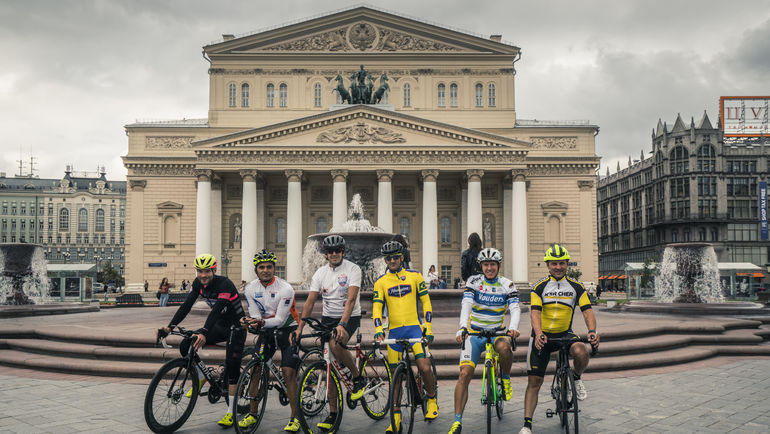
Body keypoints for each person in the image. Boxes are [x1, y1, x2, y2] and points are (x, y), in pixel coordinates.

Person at [156, 253, 247, 428]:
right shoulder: (198, 284)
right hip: (220, 325)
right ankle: (201, 376)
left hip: (236, 326)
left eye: (207, 271)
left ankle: (231, 412)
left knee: (232, 366)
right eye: (200, 271)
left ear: (214, 270)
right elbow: (186, 306)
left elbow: (217, 309)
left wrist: (204, 332)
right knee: (186, 344)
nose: (203, 275)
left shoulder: (225, 284)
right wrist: (170, 327)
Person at [518, 244, 600, 434]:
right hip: (543, 336)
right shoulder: (539, 287)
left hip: (565, 334)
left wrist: (592, 331)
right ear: (548, 265)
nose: (558, 267)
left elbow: (587, 311)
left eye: (562, 263)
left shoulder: (576, 287)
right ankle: (527, 425)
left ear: (567, 264)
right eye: (554, 264)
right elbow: (535, 313)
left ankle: (576, 378)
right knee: (534, 382)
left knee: (582, 351)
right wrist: (538, 333)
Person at [295, 235, 366, 430]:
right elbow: (310, 301)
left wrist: (342, 324)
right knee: (330, 366)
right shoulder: (320, 273)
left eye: (337, 251)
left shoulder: (353, 269)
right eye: (330, 251)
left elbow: (351, 300)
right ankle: (333, 414)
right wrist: (300, 328)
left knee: (335, 344)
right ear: (326, 254)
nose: (334, 254)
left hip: (349, 316)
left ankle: (357, 377)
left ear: (343, 252)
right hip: (328, 318)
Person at [448, 248, 520, 434]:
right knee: (464, 374)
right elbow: (466, 304)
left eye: (492, 264)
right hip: (474, 333)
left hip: (496, 332)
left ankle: (505, 379)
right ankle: (457, 421)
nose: (489, 268)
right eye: (486, 265)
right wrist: (462, 327)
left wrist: (513, 327)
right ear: (481, 266)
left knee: (505, 348)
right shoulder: (474, 282)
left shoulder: (507, 284)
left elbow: (515, 308)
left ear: (498, 266)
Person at [373, 241, 438, 433]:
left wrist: (428, 328)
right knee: (395, 377)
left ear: (401, 257)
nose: (392, 261)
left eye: (395, 257)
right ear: (385, 260)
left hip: (415, 330)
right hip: (394, 332)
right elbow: (377, 307)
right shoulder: (381, 282)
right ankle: (396, 416)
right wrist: (378, 328)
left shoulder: (415, 276)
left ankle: (432, 399)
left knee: (424, 367)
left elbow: (426, 302)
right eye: (388, 258)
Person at [239, 249, 302, 432]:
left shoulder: (285, 288)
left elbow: (280, 319)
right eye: (262, 267)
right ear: (256, 270)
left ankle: (295, 417)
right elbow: (255, 314)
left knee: (288, 372)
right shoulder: (250, 288)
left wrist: (259, 323)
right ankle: (252, 413)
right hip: (266, 329)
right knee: (256, 368)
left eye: (269, 267)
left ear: (274, 268)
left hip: (288, 329)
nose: (265, 270)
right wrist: (251, 322)